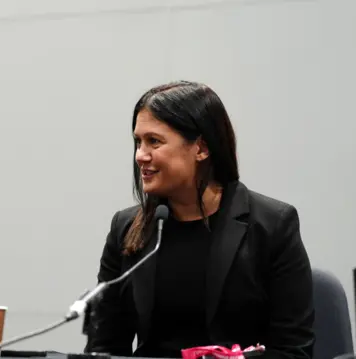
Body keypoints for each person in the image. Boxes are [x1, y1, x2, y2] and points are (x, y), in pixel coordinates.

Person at [84, 81, 314, 359]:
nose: (140, 155)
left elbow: (294, 351)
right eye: (138, 142)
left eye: (154, 141)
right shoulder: (126, 228)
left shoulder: (273, 225)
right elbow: (103, 347)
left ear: (201, 148)